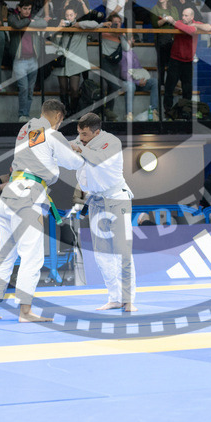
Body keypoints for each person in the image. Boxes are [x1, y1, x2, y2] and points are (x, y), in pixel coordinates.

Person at [0, 99, 85, 323]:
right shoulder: (51, 133)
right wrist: (78, 149)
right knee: (32, 255)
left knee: (3, 253)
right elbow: (74, 162)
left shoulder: (25, 129)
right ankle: (25, 311)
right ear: (58, 116)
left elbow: (41, 153)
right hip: (28, 197)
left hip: (8, 195)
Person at [68, 113, 136, 311]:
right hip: (96, 201)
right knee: (102, 254)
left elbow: (98, 160)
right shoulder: (81, 141)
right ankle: (114, 297)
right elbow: (68, 157)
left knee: (123, 250)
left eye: (85, 134)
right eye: (79, 133)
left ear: (97, 132)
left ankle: (129, 299)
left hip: (117, 199)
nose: (81, 137)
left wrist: (79, 148)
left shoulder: (111, 142)